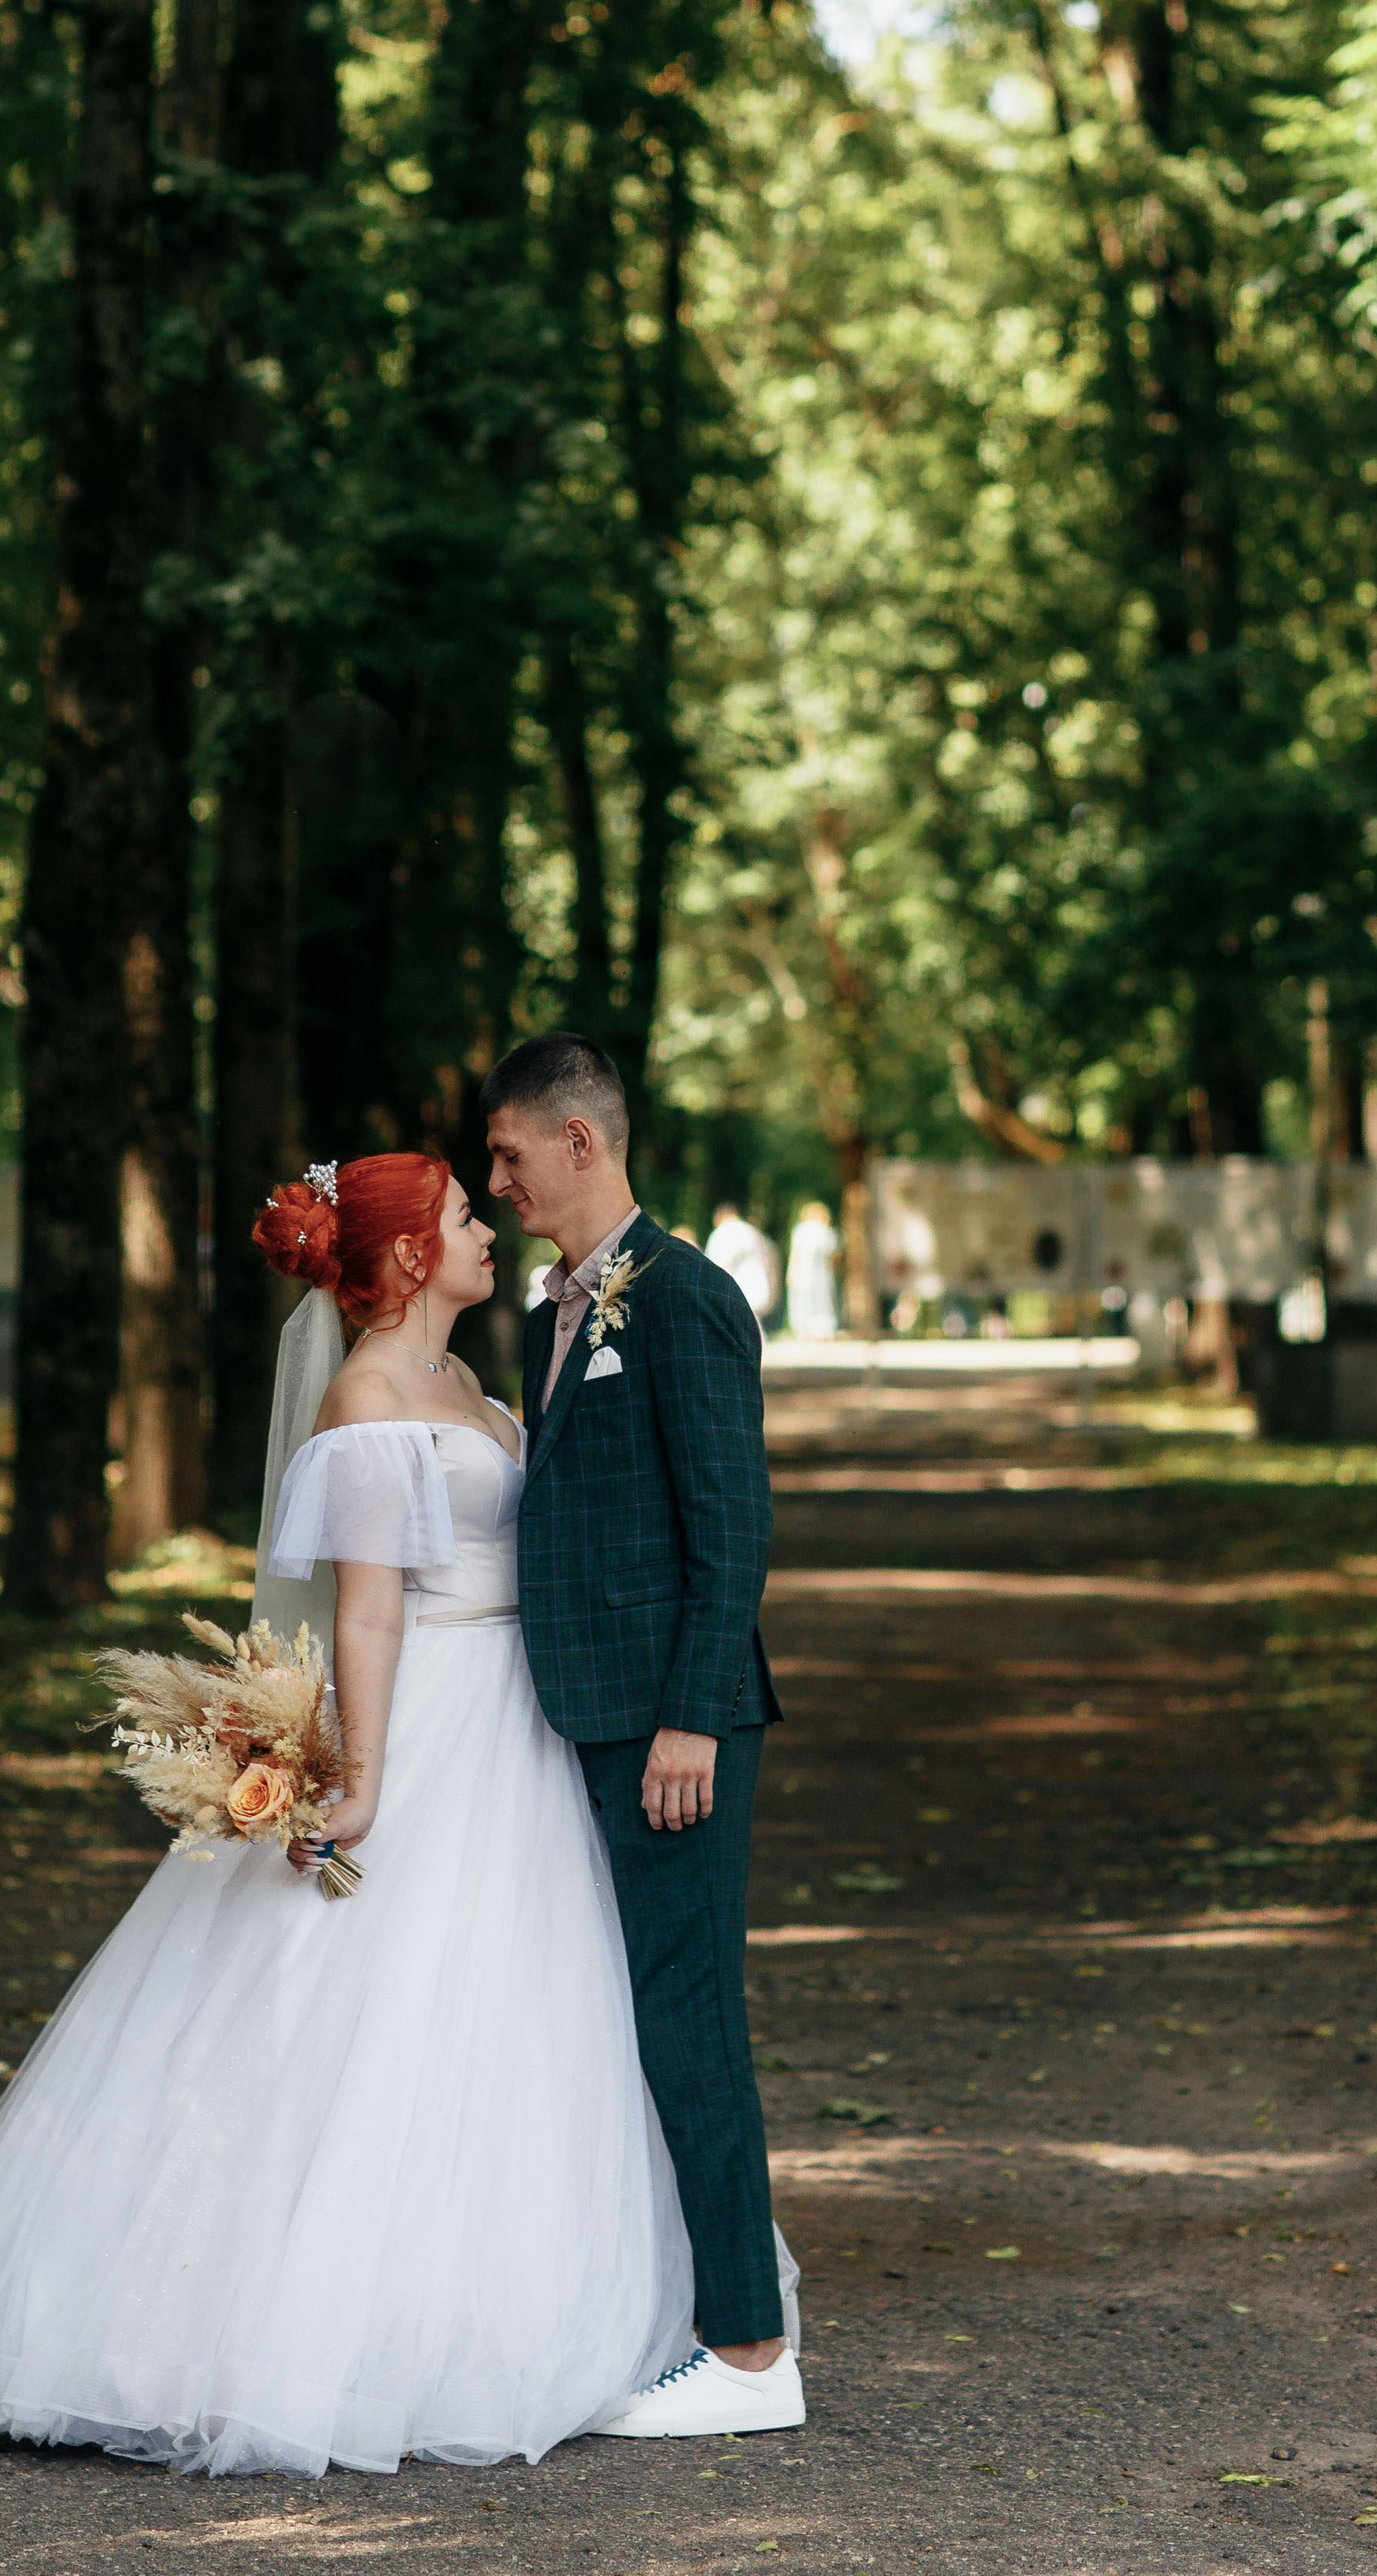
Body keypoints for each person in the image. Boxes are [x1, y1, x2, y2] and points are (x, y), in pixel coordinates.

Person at [0, 1153, 760, 2475]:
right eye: (462, 1216)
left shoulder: (471, 1381)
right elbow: (368, 1610)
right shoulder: (369, 1396)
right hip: (438, 1714)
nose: (488, 1226)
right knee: (377, 2005)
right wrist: (369, 1773)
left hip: (526, 1721)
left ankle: (522, 2295)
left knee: (523, 2006)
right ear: (410, 1257)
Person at [484, 1034, 802, 2439]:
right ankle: (666, 2311)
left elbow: (733, 1528)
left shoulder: (685, 1296)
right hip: (582, 1712)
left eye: (509, 1155)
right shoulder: (551, 1311)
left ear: (578, 1140)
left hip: (672, 1723)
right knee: (618, 2017)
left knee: (688, 2015)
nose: (498, 1184)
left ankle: (750, 2354)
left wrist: (691, 1716)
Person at [703, 1198, 781, 1324]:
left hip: (732, 1291)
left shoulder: (722, 1233)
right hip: (757, 1286)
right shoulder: (752, 1232)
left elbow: (715, 1265)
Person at [785, 1201, 841, 1340]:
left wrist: (790, 1272)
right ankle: (823, 1329)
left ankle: (805, 1329)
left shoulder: (801, 1230)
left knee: (804, 1300)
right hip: (822, 1272)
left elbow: (795, 1254)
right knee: (822, 1300)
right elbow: (833, 1256)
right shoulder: (826, 1231)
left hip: (803, 1271)